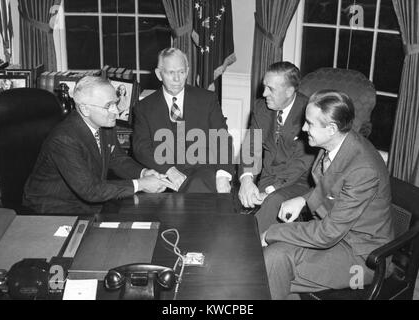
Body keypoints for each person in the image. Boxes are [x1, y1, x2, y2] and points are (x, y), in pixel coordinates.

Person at [262, 90, 394, 300]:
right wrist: (304, 198)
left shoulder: (363, 169)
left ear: (332, 128)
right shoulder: (337, 142)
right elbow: (335, 184)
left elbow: (327, 233)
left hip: (364, 260)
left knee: (273, 262)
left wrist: (271, 233)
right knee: (273, 260)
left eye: (309, 123)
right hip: (339, 236)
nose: (304, 129)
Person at [23, 76, 170, 214]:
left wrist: (142, 173)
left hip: (89, 204)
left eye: (116, 103)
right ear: (85, 109)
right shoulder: (64, 139)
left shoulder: (105, 124)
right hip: (52, 210)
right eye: (108, 106)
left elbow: (117, 159)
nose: (116, 111)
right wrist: (141, 184)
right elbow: (90, 190)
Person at [133, 47, 234, 193]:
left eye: (181, 72)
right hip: (164, 173)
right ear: (159, 74)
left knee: (198, 186)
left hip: (202, 170)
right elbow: (141, 148)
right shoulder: (144, 107)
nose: (177, 79)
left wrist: (223, 176)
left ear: (187, 72)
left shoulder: (207, 99)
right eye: (170, 73)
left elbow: (222, 139)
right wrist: (169, 170)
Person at [238, 62, 316, 233]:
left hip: (299, 181)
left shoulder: (310, 112)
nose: (264, 93)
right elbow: (252, 145)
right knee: (238, 208)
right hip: (266, 177)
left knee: (268, 208)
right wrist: (246, 179)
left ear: (289, 91)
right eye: (264, 86)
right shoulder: (261, 107)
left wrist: (270, 191)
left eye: (271, 89)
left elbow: (300, 164)